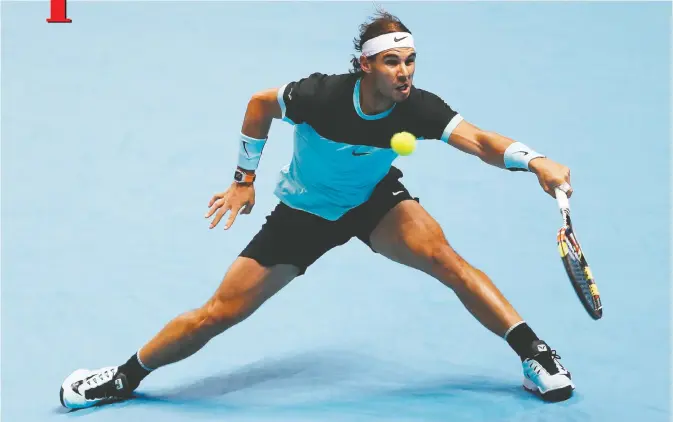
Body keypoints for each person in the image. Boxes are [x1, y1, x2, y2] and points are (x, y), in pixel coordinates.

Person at [59, 10, 576, 409]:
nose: (404, 72)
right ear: (365, 65)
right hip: (303, 214)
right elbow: (260, 104)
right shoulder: (321, 95)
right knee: (217, 314)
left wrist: (535, 161)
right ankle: (125, 376)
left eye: (411, 59)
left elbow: (480, 140)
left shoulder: (417, 107)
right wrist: (244, 179)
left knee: (448, 262)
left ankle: (535, 354)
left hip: (374, 203)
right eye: (392, 61)